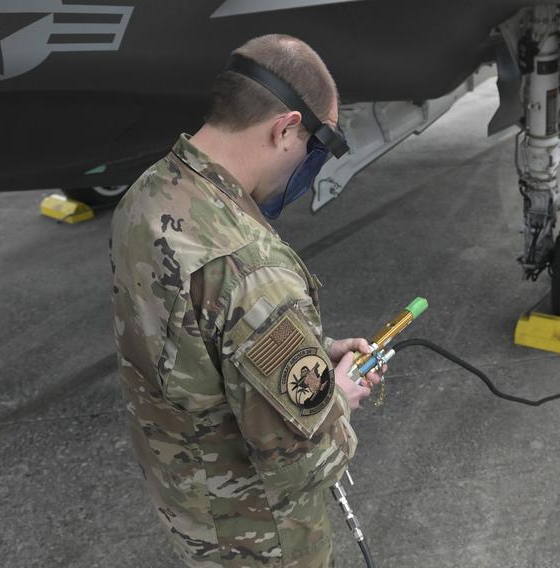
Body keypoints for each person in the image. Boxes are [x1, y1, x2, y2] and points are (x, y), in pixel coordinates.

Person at [109, 34, 382, 567]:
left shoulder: (148, 193)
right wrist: (339, 398)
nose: (309, 165)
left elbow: (198, 336)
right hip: (260, 540)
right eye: (315, 147)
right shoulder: (251, 268)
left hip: (189, 509)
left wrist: (310, 346)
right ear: (286, 129)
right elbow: (305, 460)